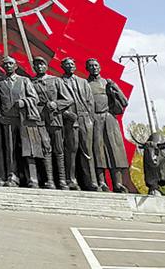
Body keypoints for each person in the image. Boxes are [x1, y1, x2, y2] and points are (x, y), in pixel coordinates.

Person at [0, 56, 45, 187]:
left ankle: (32, 178)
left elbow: (34, 98)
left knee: (29, 149)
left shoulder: (24, 80)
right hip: (8, 120)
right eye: (5, 64)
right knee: (10, 149)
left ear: (16, 66)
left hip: (25, 120)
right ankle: (12, 176)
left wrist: (24, 102)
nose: (8, 66)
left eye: (10, 63)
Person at [85, 58, 129, 192]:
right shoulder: (85, 84)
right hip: (94, 118)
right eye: (91, 66)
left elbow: (124, 101)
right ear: (87, 69)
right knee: (98, 150)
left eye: (96, 65)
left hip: (109, 118)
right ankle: (102, 182)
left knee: (114, 150)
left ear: (100, 67)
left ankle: (118, 183)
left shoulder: (107, 83)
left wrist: (114, 88)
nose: (94, 68)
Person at [58, 57, 99, 190]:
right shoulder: (59, 82)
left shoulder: (83, 82)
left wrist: (90, 118)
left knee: (87, 151)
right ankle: (71, 180)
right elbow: (56, 101)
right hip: (70, 119)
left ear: (75, 66)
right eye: (67, 64)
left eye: (72, 64)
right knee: (71, 151)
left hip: (85, 118)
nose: (70, 66)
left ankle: (91, 181)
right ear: (62, 67)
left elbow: (90, 101)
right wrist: (65, 114)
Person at [31, 57, 68, 189]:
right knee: (46, 148)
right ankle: (50, 180)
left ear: (46, 66)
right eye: (36, 65)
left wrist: (56, 104)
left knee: (59, 149)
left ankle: (62, 180)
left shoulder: (55, 80)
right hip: (40, 119)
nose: (39, 67)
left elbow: (68, 99)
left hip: (55, 119)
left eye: (42, 64)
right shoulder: (31, 82)